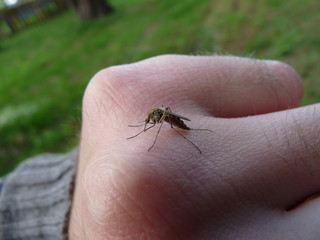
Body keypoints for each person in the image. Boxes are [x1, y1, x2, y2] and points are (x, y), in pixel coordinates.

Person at [0, 55, 319, 239]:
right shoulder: (153, 116)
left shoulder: (163, 117)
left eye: (151, 120)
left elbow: (160, 119)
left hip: (180, 124)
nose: (152, 121)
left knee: (168, 124)